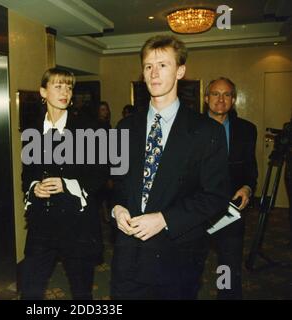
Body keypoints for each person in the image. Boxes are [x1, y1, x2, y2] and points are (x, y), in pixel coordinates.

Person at [110, 35, 230, 299]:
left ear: (180, 71)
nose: (154, 73)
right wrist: (117, 208)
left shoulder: (206, 131)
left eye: (163, 65)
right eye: (148, 66)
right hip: (128, 256)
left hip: (177, 257)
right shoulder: (125, 127)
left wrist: (165, 219)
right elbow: (117, 182)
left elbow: (216, 197)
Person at [20, 68, 106, 300]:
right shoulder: (33, 129)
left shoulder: (89, 128)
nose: (65, 92)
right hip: (41, 224)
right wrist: (34, 186)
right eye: (58, 86)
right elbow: (27, 173)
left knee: (81, 290)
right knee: (30, 288)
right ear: (43, 92)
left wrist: (67, 184)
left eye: (69, 87)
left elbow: (100, 174)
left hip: (76, 224)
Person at [205, 77, 258, 300]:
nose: (220, 99)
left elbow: (250, 168)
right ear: (206, 98)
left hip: (230, 208)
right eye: (215, 94)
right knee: (187, 265)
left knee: (228, 263)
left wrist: (247, 187)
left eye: (226, 94)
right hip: (194, 210)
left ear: (233, 100)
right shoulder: (188, 128)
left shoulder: (246, 130)